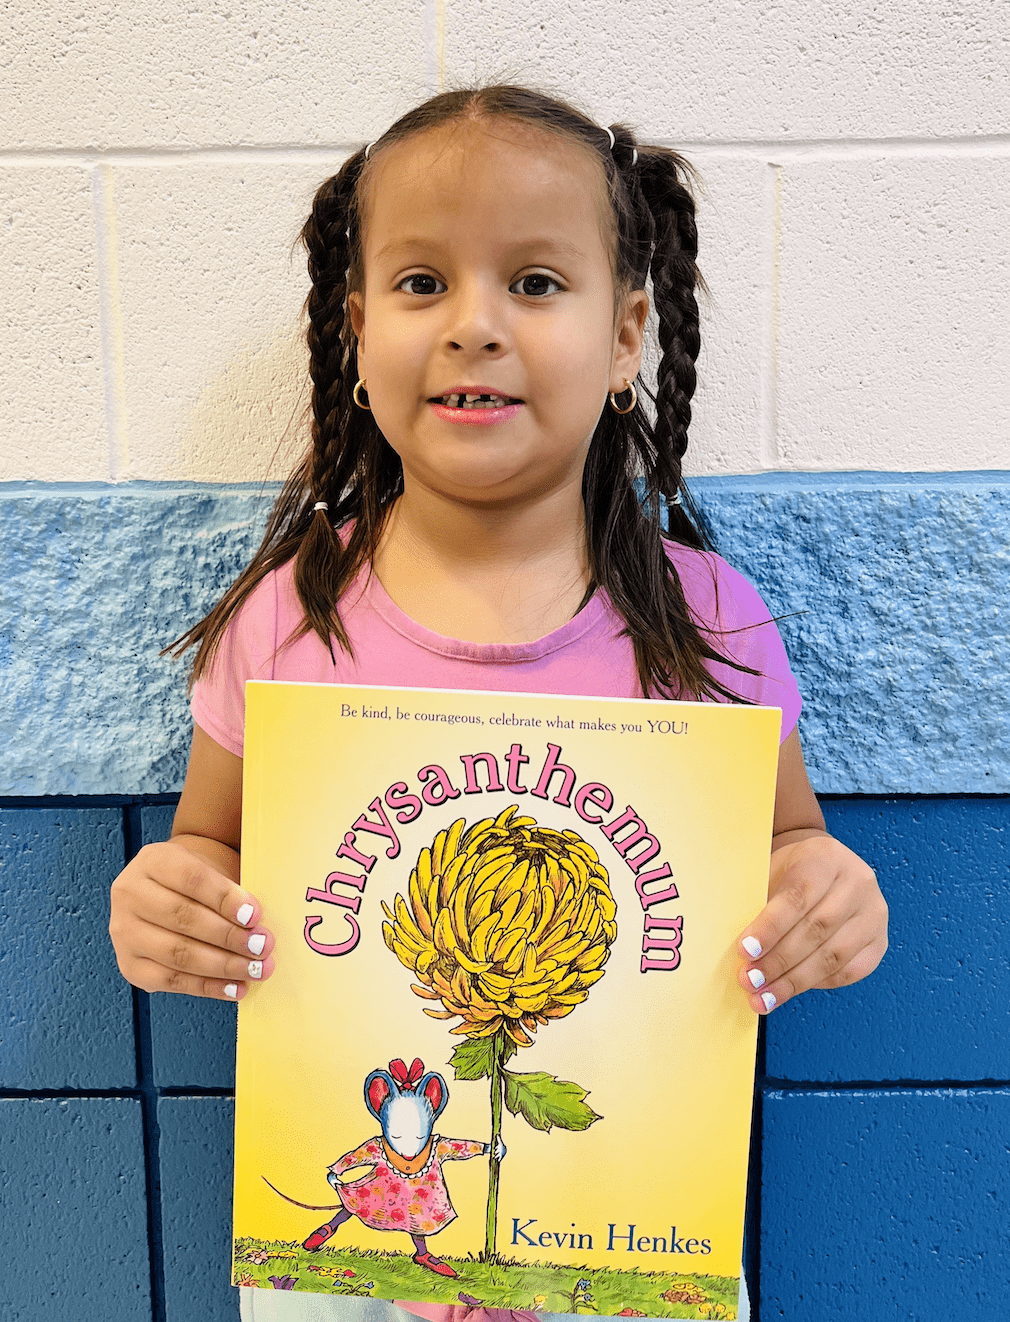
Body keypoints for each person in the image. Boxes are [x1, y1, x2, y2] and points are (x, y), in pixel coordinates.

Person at [108, 84, 888, 1322]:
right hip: (352, 1270)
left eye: (533, 282)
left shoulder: (708, 623)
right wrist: (163, 902)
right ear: (357, 333)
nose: (474, 324)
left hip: (628, 1247)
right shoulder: (284, 622)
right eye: (422, 285)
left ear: (627, 332)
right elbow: (206, 847)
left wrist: (828, 896)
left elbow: (791, 844)